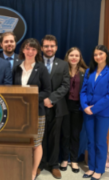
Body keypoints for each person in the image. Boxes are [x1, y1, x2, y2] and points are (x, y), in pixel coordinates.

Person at [13, 38, 51, 180]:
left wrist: (30, 97)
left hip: (37, 112)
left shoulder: (41, 68)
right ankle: (22, 166)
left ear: (37, 51)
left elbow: (47, 91)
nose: (30, 52)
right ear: (23, 50)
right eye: (27, 48)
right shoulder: (17, 67)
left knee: (36, 143)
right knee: (22, 141)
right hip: (19, 113)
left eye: (33, 49)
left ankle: (33, 171)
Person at [80, 45, 109, 180]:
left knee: (100, 141)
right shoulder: (89, 71)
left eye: (100, 54)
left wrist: (94, 108)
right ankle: (91, 167)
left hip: (103, 113)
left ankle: (99, 169)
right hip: (87, 112)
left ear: (106, 55)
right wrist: (85, 106)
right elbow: (83, 91)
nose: (98, 57)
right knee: (90, 141)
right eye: (95, 54)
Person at [38, 35, 70, 179]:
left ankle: (54, 165)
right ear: (41, 48)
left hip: (57, 107)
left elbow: (65, 85)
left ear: (56, 47)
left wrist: (51, 99)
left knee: (55, 137)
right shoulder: (36, 63)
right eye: (46, 46)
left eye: (52, 46)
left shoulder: (63, 64)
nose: (49, 49)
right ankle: (40, 164)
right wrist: (43, 99)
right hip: (39, 107)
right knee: (40, 137)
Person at [60, 47, 88, 173]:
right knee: (65, 134)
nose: (74, 57)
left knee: (75, 135)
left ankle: (74, 160)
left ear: (80, 58)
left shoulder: (85, 72)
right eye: (72, 55)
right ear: (67, 56)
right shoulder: (62, 70)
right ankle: (65, 159)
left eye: (77, 55)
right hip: (64, 106)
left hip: (78, 107)